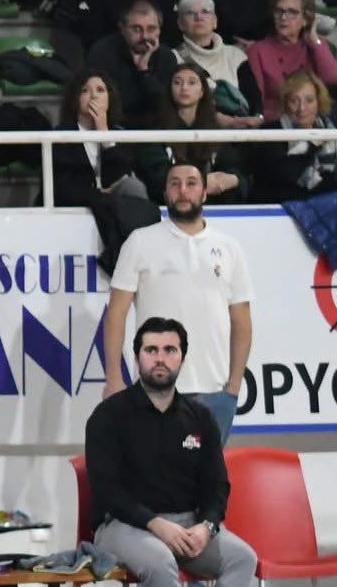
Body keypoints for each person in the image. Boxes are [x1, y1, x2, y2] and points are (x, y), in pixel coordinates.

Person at [86, 317, 256, 587]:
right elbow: (108, 491)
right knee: (161, 561)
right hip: (124, 525)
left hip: (187, 525)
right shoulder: (108, 415)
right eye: (151, 350)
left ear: (182, 358)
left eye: (170, 350)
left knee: (244, 558)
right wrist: (154, 523)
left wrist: (206, 527)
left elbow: (217, 486)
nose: (160, 358)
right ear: (137, 357)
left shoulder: (200, 417)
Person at [105, 172, 252, 438]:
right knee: (155, 476)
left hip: (216, 392)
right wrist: (114, 377)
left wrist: (233, 386)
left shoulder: (229, 247)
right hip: (155, 389)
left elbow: (241, 319)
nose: (183, 191)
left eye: (191, 184)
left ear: (205, 192)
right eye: (174, 184)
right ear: (165, 194)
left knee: (207, 479)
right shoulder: (140, 241)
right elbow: (117, 312)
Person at [136, 64, 246, 201]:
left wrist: (233, 179)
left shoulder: (214, 129)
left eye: (192, 82)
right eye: (177, 82)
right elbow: (156, 175)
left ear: (202, 91)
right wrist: (201, 183)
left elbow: (234, 167)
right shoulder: (155, 128)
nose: (184, 88)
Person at [244, 0, 337, 119]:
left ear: (306, 19)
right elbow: (257, 102)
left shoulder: (315, 45)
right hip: (275, 121)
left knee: (335, 111)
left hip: (312, 118)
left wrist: (315, 41)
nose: (283, 18)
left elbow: (334, 79)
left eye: (292, 12)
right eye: (279, 11)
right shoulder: (258, 50)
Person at [48, 68, 144, 209]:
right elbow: (62, 189)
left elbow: (122, 178)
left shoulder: (121, 134)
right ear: (75, 98)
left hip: (115, 209)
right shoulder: (61, 136)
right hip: (76, 209)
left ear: (109, 97)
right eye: (85, 91)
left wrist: (104, 134)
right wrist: (98, 195)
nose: (94, 96)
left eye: (100, 90)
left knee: (133, 186)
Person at [254, 69, 337, 201]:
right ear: (285, 103)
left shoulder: (332, 130)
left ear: (319, 102)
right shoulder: (270, 131)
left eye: (309, 100)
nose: (302, 108)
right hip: (281, 208)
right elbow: (286, 175)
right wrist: (312, 145)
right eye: (294, 101)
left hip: (327, 206)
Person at [86, 0, 180, 120]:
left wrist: (144, 72)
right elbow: (106, 104)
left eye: (151, 29)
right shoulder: (102, 53)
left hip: (156, 131)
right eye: (137, 29)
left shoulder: (167, 57)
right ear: (122, 28)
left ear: (159, 30)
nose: (144, 36)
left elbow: (165, 107)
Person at [174, 0, 261, 118]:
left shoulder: (235, 56)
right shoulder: (172, 57)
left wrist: (257, 118)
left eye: (205, 11)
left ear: (215, 21)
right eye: (190, 13)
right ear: (180, 24)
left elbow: (254, 100)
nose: (199, 17)